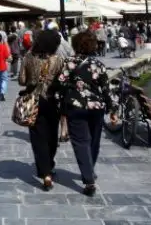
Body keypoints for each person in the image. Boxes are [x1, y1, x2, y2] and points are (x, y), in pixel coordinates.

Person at [52, 31, 119, 197]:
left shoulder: (69, 63)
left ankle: (89, 179)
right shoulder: (98, 64)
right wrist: (113, 109)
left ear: (75, 45)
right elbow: (106, 89)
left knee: (81, 142)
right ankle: (90, 169)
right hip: (96, 108)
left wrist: (59, 100)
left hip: (76, 107)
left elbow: (59, 84)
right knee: (94, 141)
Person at [18, 29, 64, 191]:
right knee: (52, 135)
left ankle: (44, 173)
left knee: (38, 137)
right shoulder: (58, 59)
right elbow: (62, 80)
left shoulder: (28, 57)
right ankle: (49, 165)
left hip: (33, 100)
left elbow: (22, 80)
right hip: (52, 101)